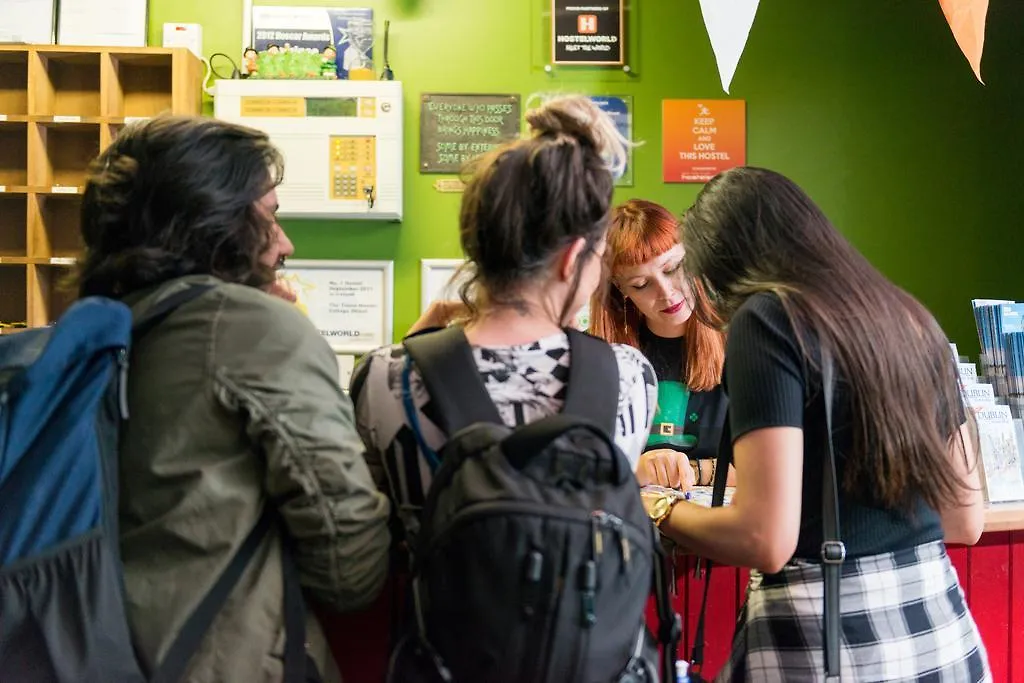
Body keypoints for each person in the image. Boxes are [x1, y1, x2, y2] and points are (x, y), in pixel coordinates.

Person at [642, 167, 990, 681]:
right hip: (940, 637)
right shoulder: (912, 318)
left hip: (827, 642)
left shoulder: (765, 319)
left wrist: (658, 506)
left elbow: (765, 536)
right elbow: (966, 520)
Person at [77, 115, 391, 683]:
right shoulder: (254, 328)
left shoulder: (102, 326)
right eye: (269, 216)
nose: (285, 244)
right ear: (217, 223)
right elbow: (352, 568)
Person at [350, 94, 656, 544]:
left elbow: (373, 525)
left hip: (439, 615)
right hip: (590, 615)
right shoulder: (629, 376)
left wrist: (417, 349)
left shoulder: (381, 376)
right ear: (573, 259)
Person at [590, 199, 733, 490]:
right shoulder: (598, 357)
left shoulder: (740, 342)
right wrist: (634, 469)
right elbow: (582, 471)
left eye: (672, 269)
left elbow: (767, 474)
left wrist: (692, 471)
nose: (667, 293)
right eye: (642, 284)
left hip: (715, 526)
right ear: (621, 290)